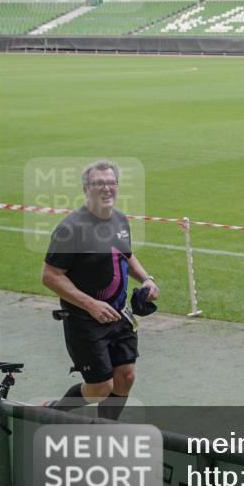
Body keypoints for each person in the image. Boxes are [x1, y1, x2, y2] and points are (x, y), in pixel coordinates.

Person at [41, 160, 159, 420]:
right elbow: (50, 276)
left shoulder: (118, 219)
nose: (106, 188)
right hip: (85, 319)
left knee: (126, 376)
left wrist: (146, 279)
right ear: (86, 188)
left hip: (119, 315)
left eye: (111, 183)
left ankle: (106, 429)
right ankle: (52, 413)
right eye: (99, 183)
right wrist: (91, 304)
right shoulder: (70, 229)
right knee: (100, 387)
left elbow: (126, 255)